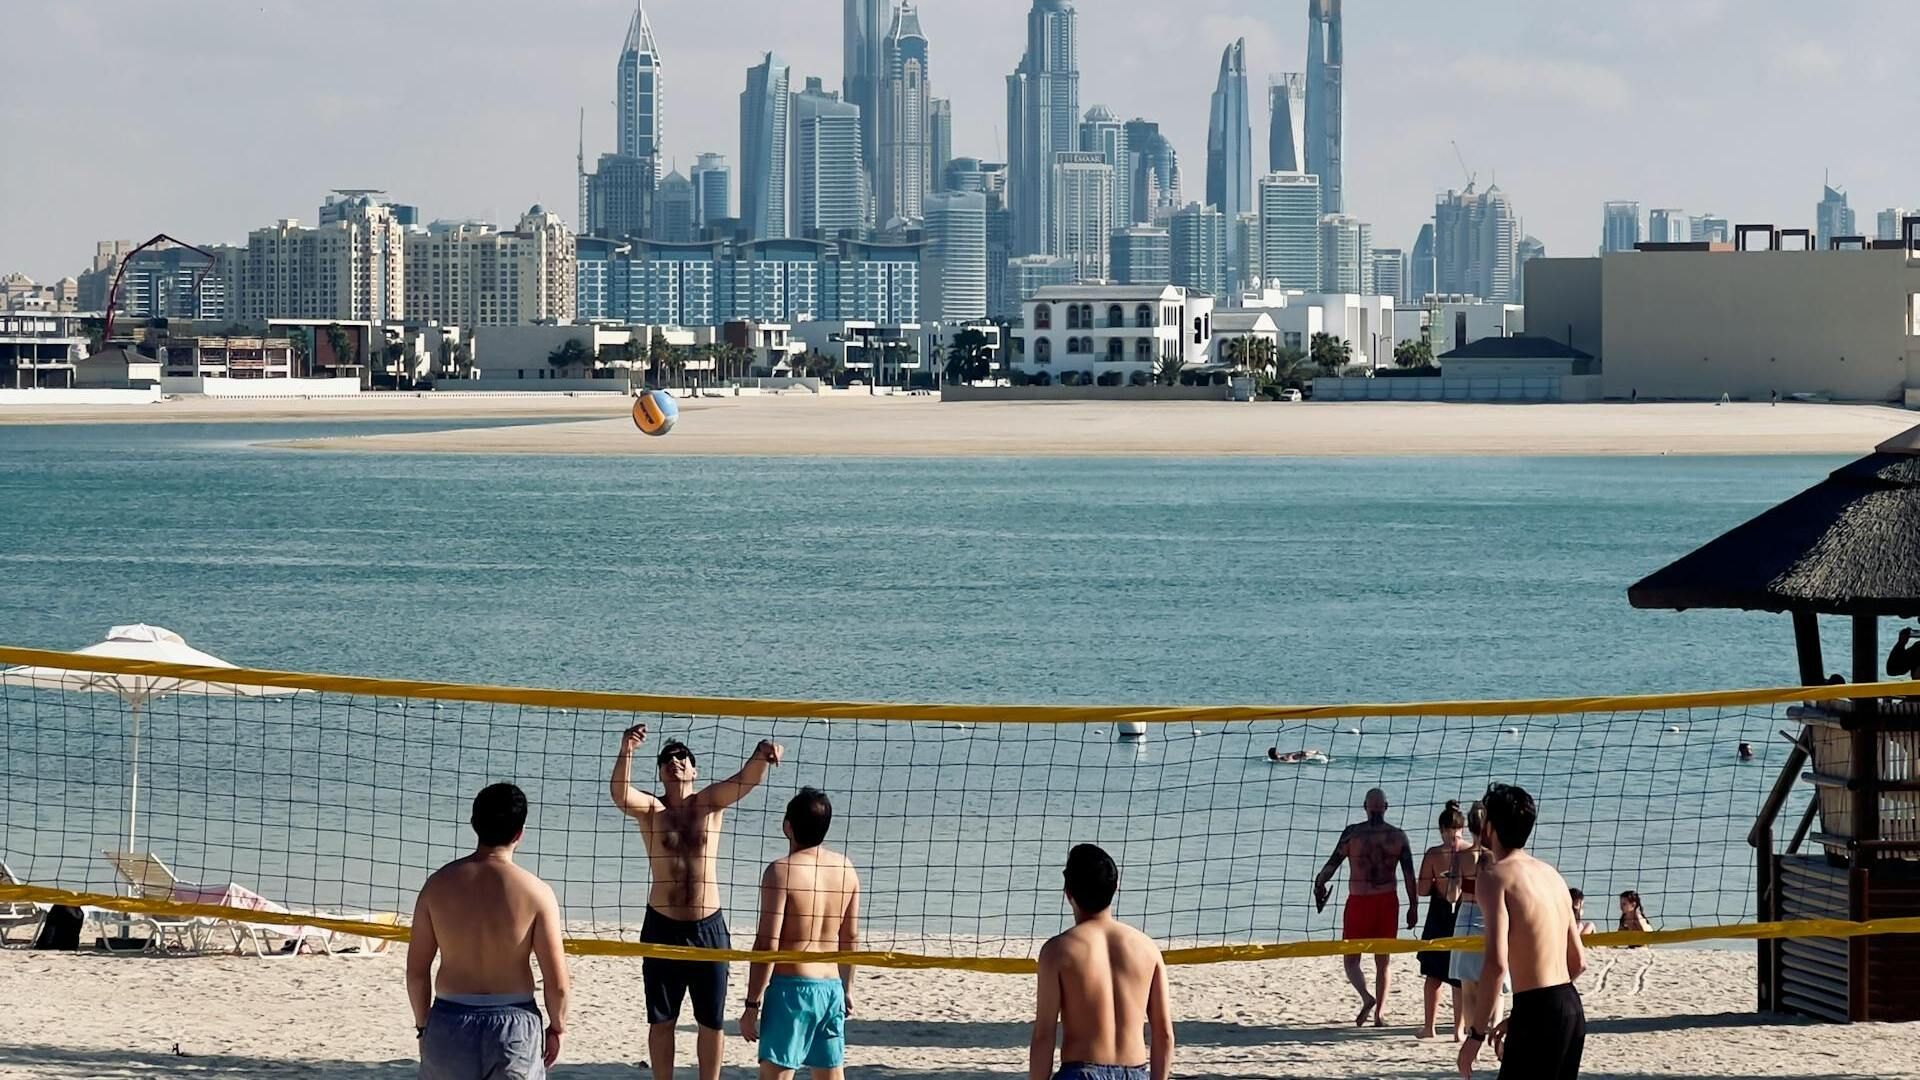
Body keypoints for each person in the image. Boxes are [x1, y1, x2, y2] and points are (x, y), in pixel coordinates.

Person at [610, 725, 784, 1080]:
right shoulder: (652, 810)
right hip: (662, 925)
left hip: (708, 927)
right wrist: (627, 749)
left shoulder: (708, 803)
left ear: (693, 770)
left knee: (711, 1020)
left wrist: (761, 752)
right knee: (662, 1020)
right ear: (660, 772)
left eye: (682, 757)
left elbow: (745, 781)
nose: (675, 761)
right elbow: (620, 794)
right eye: (667, 759)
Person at [409, 783, 570, 1080]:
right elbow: (557, 983)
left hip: (450, 1019)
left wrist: (423, 1027)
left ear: (474, 825)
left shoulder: (436, 886)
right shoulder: (537, 893)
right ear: (520, 833)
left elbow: (417, 973)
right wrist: (557, 1027)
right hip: (514, 1025)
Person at [1458, 783, 1586, 1080]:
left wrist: (1475, 1037)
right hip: (1570, 1009)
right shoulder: (1551, 874)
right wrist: (1519, 1016)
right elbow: (1578, 962)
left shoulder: (1493, 876)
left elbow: (1495, 965)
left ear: (1489, 826)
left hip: (1538, 1012)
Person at [739, 788, 861, 1080]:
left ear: (787, 826)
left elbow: (767, 943)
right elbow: (850, 937)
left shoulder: (781, 872)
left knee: (776, 1075)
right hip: (830, 987)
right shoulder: (845, 868)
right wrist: (847, 988)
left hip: (792, 990)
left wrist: (751, 1004)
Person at [1030, 844, 1174, 1080]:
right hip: (1135, 1072)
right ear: (1115, 888)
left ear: (1068, 893)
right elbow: (1164, 1035)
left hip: (1081, 1072)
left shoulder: (1057, 951)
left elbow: (1044, 1035)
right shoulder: (1148, 948)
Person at [1313, 788, 1418, 1027]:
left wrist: (1319, 883)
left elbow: (1331, 865)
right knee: (1383, 961)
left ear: (1365, 807)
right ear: (1386, 807)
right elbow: (1409, 876)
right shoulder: (1398, 836)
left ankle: (1366, 997)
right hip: (1387, 901)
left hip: (1359, 901)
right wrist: (1414, 906)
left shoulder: (1353, 835)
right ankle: (1380, 1014)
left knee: (1351, 960)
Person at [1415, 801, 1471, 1040]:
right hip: (1465, 911)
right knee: (1459, 978)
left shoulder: (1434, 853)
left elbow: (1422, 889)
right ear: (1463, 827)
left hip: (1439, 913)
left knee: (1433, 975)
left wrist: (1440, 882)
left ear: (1441, 828)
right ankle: (1458, 1030)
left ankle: (1430, 1027)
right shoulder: (1473, 851)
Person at [1447, 801, 1501, 1046]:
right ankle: (1496, 1033)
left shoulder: (1464, 855)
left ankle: (1472, 1035)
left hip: (1467, 916)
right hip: (1491, 915)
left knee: (1468, 986)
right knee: (1496, 984)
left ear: (1469, 825)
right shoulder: (1497, 857)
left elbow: (1451, 896)